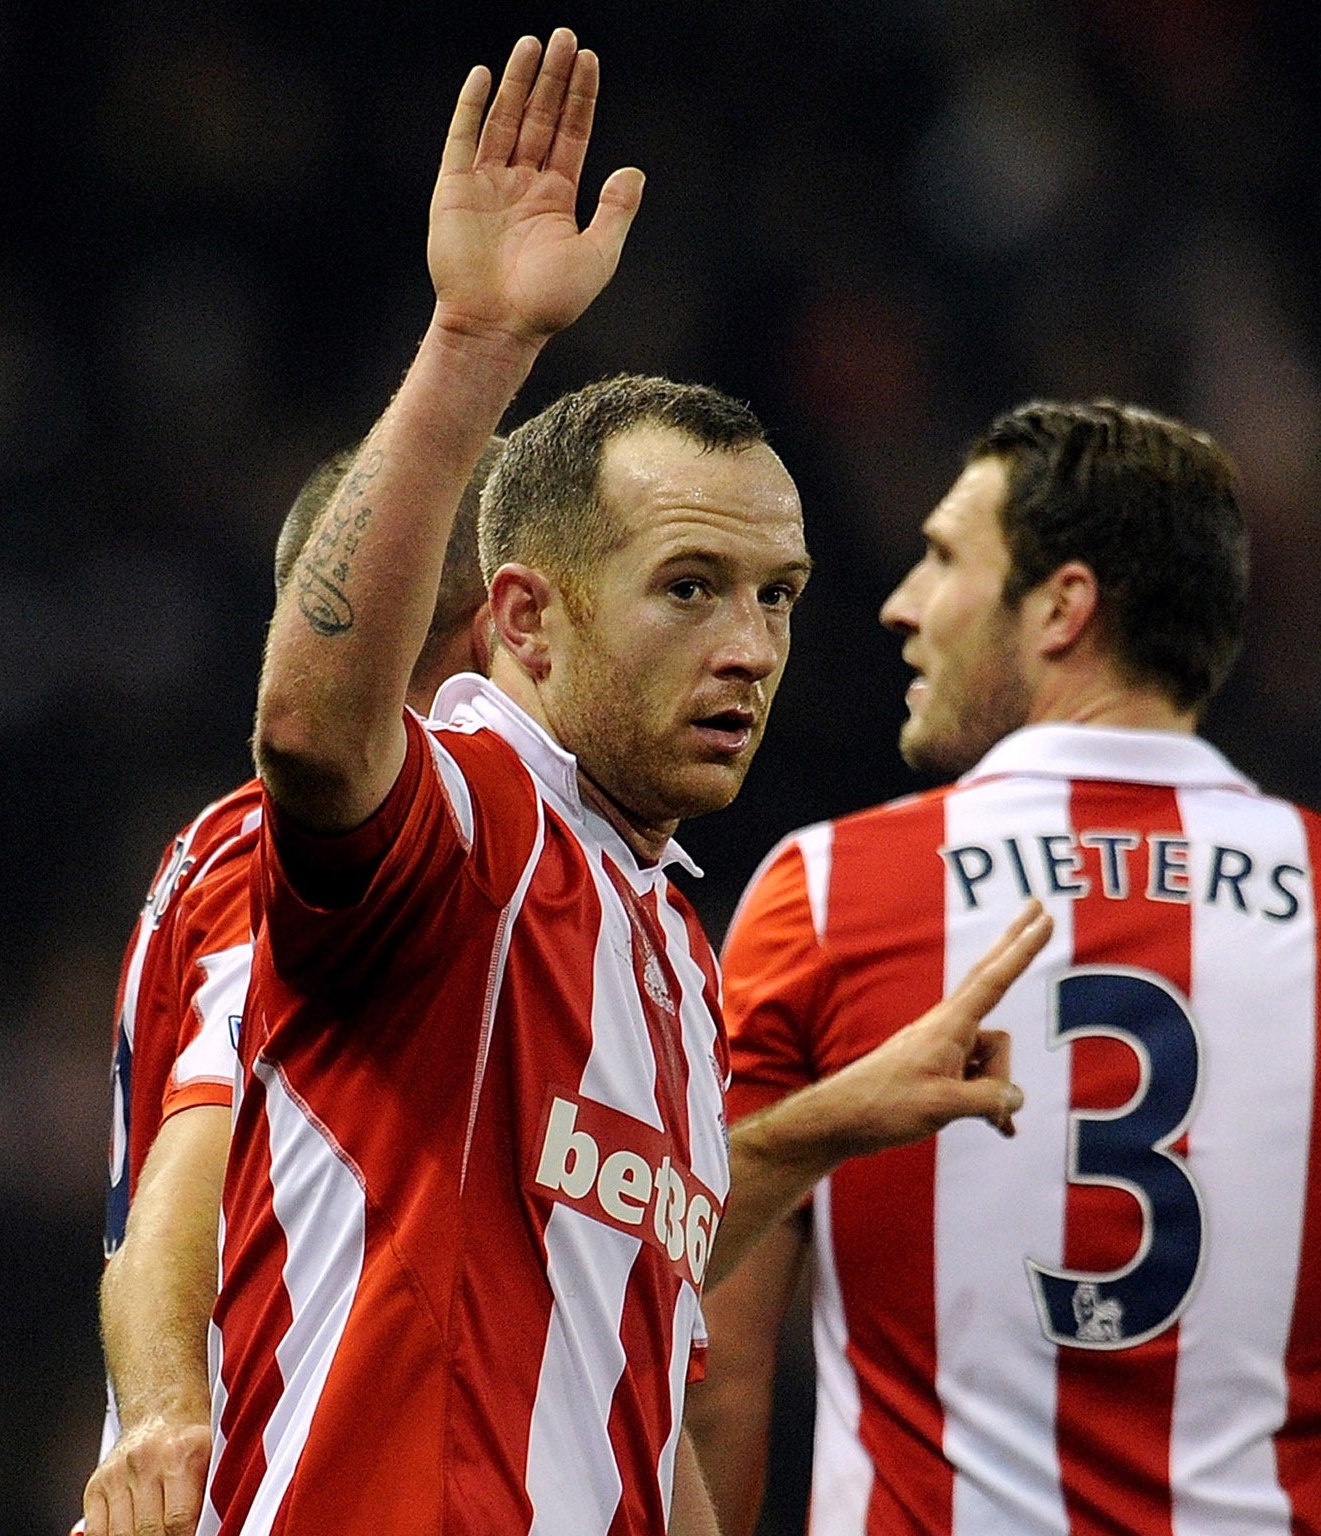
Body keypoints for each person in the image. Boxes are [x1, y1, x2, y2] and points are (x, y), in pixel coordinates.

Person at [209, 31, 1048, 1536]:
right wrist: (473, 343)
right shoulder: (472, 820)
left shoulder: (660, 934)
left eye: (778, 596)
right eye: (690, 588)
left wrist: (829, 1118)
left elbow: (615, 1315)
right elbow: (314, 739)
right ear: (522, 617)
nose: (750, 650)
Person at [695, 400, 1321, 1535]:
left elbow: (712, 1366)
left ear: (1062, 607)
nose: (902, 605)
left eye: (942, 561)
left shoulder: (825, 896)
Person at [80, 438, 504, 1536]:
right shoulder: (298, 858)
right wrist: (164, 1421)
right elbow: (200, 1137)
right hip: (266, 1488)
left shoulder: (241, 846)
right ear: (502, 624)